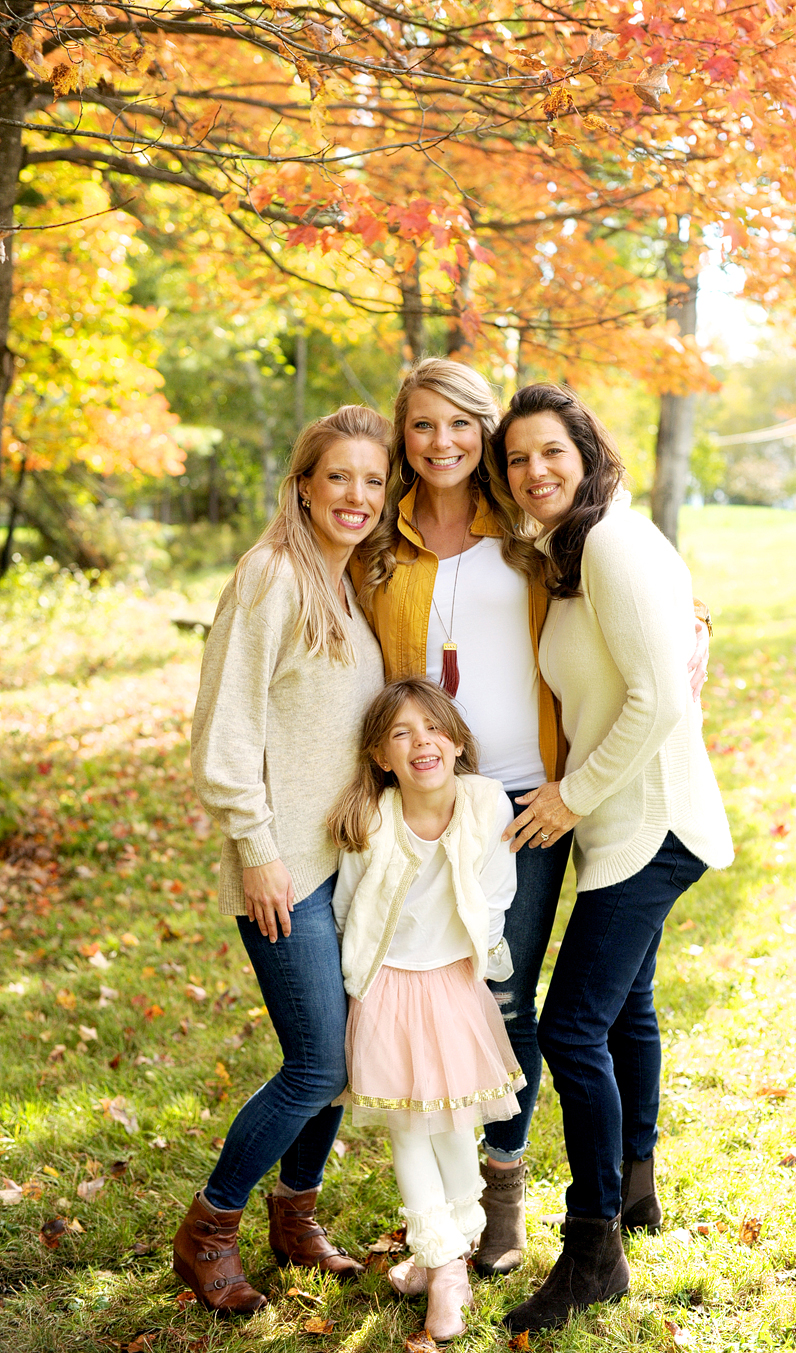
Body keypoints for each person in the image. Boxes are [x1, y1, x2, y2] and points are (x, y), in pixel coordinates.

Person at [350, 358, 711, 1276]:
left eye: (464, 427)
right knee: (568, 994)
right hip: (430, 797)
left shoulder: (539, 538)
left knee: (520, 1003)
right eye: (422, 426)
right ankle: (616, 1187)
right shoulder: (385, 548)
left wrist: (695, 630)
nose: (445, 444)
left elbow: (653, 629)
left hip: (535, 801)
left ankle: (507, 1201)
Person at [484, 384, 734, 1333]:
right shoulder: (571, 551)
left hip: (650, 824)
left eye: (552, 451)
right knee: (626, 1006)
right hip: (623, 822)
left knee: (568, 1030)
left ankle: (592, 1245)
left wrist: (569, 797)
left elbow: (660, 698)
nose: (534, 471)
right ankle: (636, 1188)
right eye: (516, 460)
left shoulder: (614, 544)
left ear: (586, 453)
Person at [173, 405, 393, 1313]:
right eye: (337, 475)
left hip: (347, 866)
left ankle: (294, 1219)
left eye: (373, 480)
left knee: (344, 1056)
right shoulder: (269, 577)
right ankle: (208, 1229)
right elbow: (223, 734)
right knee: (315, 1062)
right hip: (282, 869)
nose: (356, 494)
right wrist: (256, 849)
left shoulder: (350, 588)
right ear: (302, 484)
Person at [327, 677, 524, 1341]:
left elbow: (497, 888)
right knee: (411, 1128)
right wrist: (358, 982)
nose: (421, 742)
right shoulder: (375, 821)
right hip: (389, 987)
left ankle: (450, 1249)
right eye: (401, 733)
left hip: (452, 983)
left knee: (454, 1122)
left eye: (433, 727)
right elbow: (347, 910)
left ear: (458, 741)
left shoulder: (485, 803)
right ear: (382, 756)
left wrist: (480, 953)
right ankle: (441, 1260)